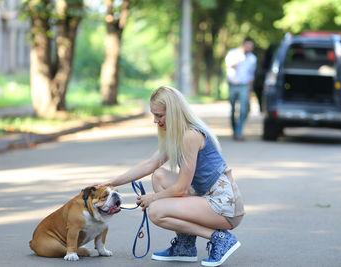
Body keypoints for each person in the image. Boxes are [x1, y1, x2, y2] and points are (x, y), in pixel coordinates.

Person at [99, 86, 245, 266]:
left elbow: (181, 188)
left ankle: (219, 238)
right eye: (154, 115)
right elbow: (149, 165)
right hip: (208, 199)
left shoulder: (191, 135)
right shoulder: (177, 135)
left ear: (174, 112)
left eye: (159, 115)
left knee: (155, 210)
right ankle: (185, 245)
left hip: (225, 207)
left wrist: (152, 198)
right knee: (159, 175)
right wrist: (110, 182)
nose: (155, 120)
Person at [225, 37, 257, 141]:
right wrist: (240, 55)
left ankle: (239, 133)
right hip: (233, 85)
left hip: (244, 86)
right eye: (247, 45)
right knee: (233, 110)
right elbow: (230, 65)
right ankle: (235, 131)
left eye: (250, 46)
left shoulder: (253, 58)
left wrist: (250, 90)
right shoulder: (233, 53)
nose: (249, 47)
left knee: (243, 110)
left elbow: (251, 75)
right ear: (243, 45)